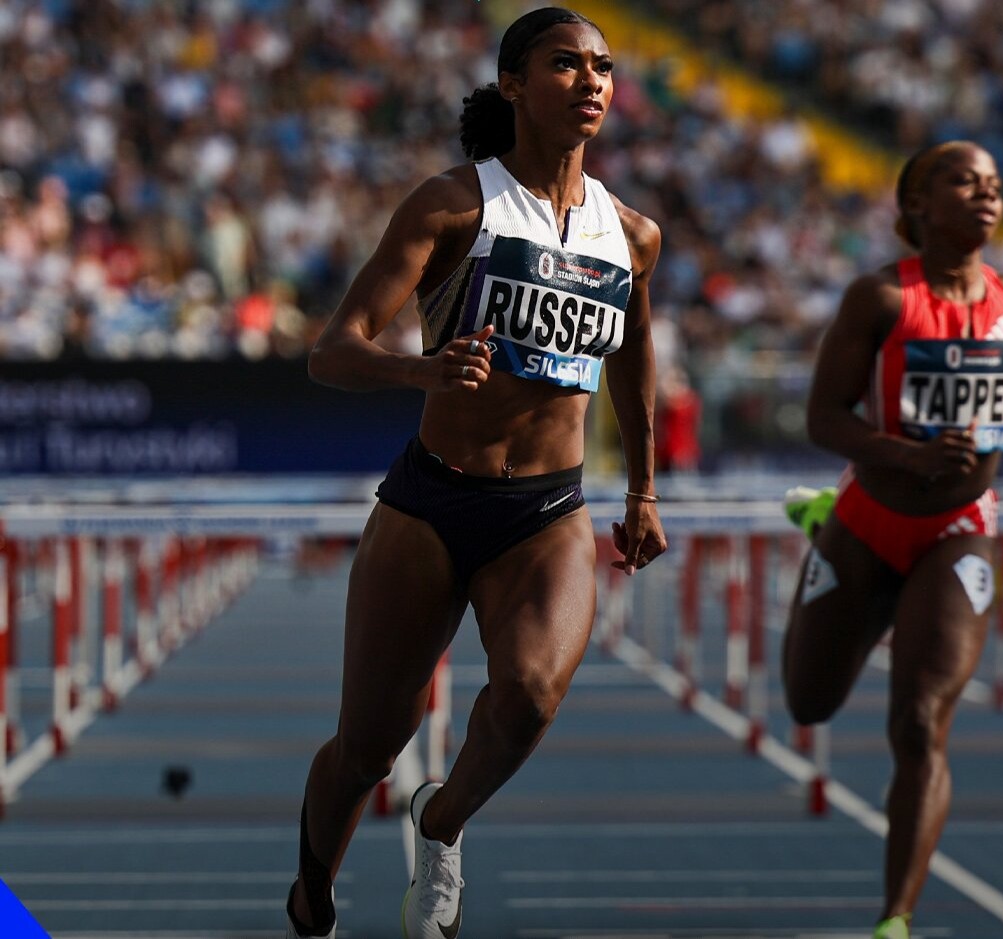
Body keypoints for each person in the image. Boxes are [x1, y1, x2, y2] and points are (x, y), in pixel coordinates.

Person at [284, 8, 667, 939]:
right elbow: (333, 351)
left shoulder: (631, 234)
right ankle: (310, 897)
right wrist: (421, 371)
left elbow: (633, 362)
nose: (590, 81)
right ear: (513, 84)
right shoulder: (454, 205)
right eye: (565, 64)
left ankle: (442, 821)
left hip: (546, 510)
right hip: (431, 501)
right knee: (370, 744)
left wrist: (643, 488)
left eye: (603, 66)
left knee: (530, 696)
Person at [781, 140, 1003, 939]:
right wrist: (907, 454)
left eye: (994, 184)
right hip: (867, 519)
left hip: (960, 527)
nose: (986, 194)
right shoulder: (880, 296)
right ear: (916, 203)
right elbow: (824, 418)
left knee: (920, 724)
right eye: (963, 181)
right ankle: (819, 517)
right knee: (809, 701)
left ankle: (895, 919)